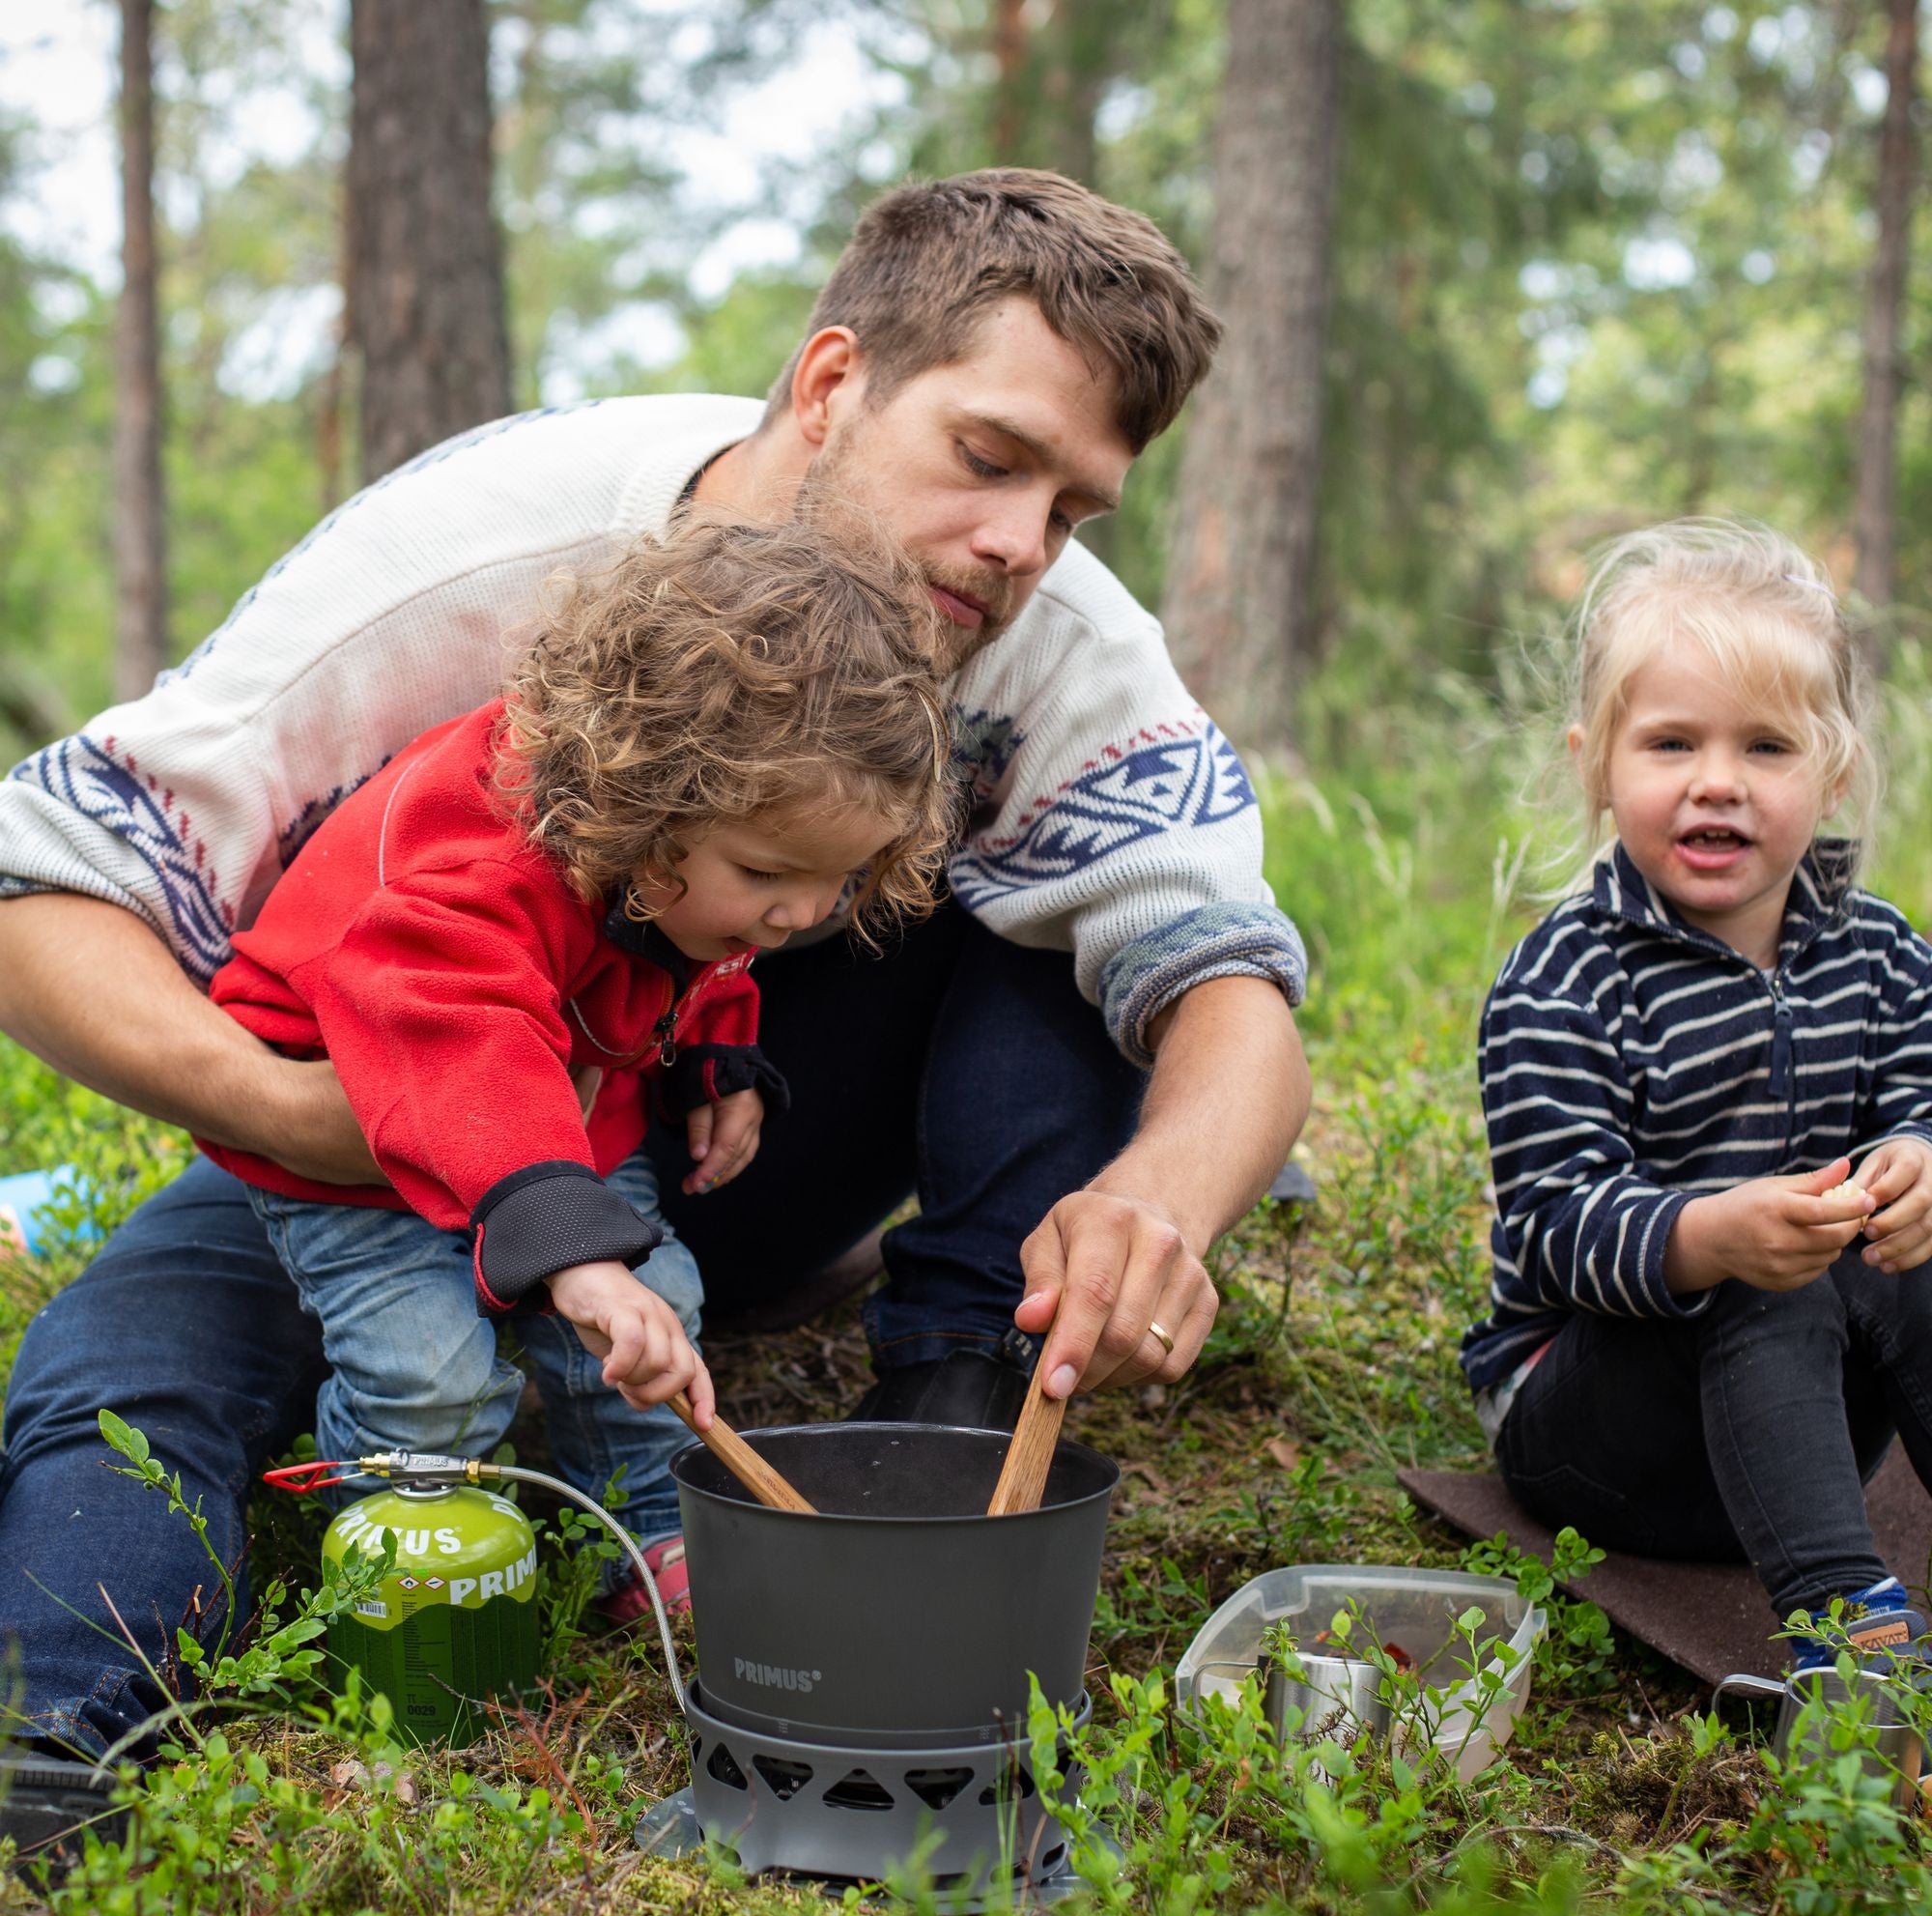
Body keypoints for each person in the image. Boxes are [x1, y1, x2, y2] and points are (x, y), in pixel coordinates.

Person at [0, 168, 1310, 1764]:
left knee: (1066, 914)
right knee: (123, 1376)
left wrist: (1160, 1196)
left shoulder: (1058, 639)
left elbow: (1227, 981)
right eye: (987, 458)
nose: (1018, 545)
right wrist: (292, 1112)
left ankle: (943, 1409)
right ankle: (58, 1727)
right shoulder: (474, 556)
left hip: (718, 1127)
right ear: (834, 384)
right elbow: (36, 884)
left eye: (1074, 508)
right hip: (388, 1114)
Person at [198, 516, 954, 1617]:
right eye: (766, 872)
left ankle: (646, 1525)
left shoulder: (696, 866)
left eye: (832, 881)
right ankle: (400, 1559)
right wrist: (572, 1253)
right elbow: (457, 1024)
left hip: (557, 1109)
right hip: (358, 1123)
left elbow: (699, 949)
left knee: (656, 1304)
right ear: (645, 809)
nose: (796, 913)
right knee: (428, 1369)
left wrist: (715, 1054)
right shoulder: (481, 849)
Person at [1463, 519, 1932, 1669]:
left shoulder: (1875, 951)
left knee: (1900, 1246)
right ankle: (1846, 1632)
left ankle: (1835, 1533)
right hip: (1604, 1436)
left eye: (1764, 747)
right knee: (1758, 1274)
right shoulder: (1563, 979)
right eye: (1670, 743)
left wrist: (1920, 1155)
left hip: (1812, 1427)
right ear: (1595, 761)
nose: (1714, 782)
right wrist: (1707, 1232)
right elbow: (1554, 1223)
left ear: (1829, 771)